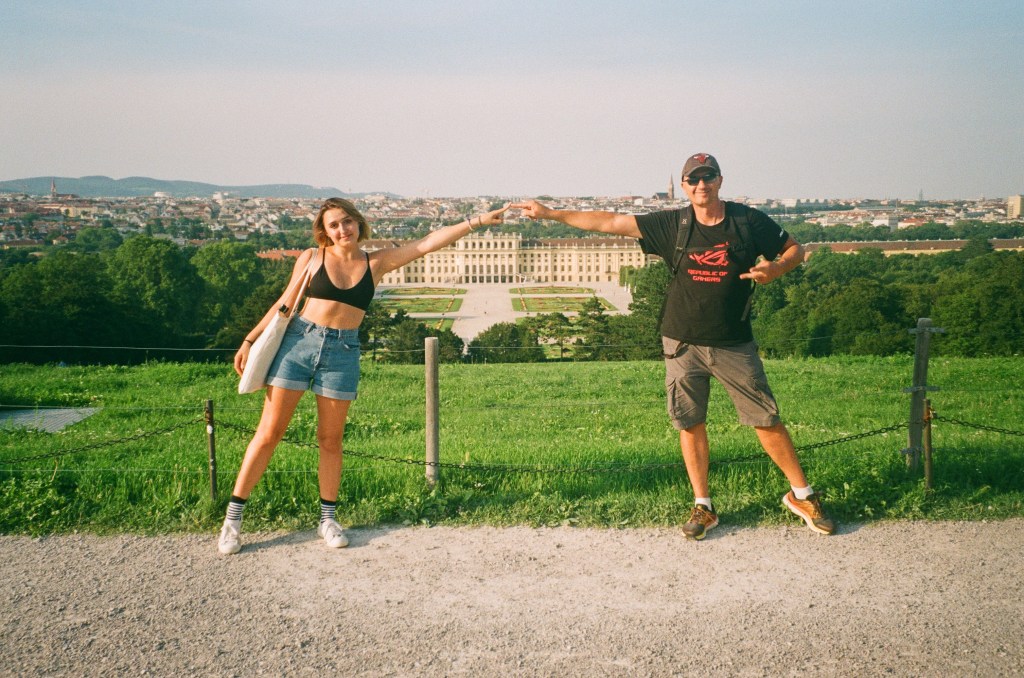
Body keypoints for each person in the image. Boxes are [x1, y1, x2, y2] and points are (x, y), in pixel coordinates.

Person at [511, 153, 834, 540]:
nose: (701, 185)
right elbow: (610, 222)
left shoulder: (747, 220)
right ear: (684, 186)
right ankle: (703, 505)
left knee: (765, 419)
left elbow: (795, 250)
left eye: (708, 177)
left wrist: (777, 268)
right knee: (690, 421)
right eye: (693, 179)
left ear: (720, 180)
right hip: (681, 341)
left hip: (732, 339)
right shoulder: (672, 224)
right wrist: (551, 214)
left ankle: (802, 495)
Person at [218, 198, 510, 555]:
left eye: (347, 221)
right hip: (298, 345)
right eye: (334, 225)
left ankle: (328, 519)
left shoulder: (376, 262)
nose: (343, 229)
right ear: (324, 232)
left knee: (330, 440)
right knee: (269, 434)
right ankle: (232, 520)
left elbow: (428, 243)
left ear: (358, 222)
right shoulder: (311, 258)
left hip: (342, 352)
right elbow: (284, 303)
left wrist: (478, 221)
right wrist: (250, 339)